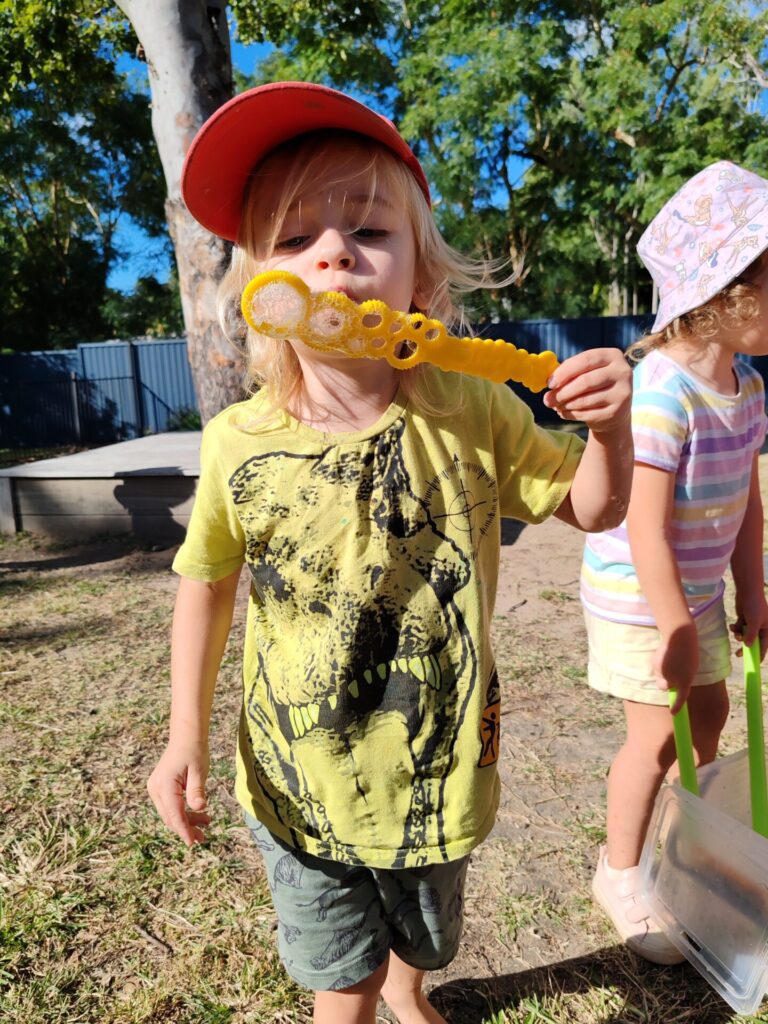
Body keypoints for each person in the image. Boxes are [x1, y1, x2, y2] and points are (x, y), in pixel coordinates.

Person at [148, 81, 633, 1024]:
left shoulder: (473, 407)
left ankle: (413, 991)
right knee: (345, 983)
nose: (332, 251)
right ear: (257, 285)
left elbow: (594, 507)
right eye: (293, 240)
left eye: (368, 230)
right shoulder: (239, 443)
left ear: (422, 278)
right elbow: (206, 588)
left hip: (439, 767)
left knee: (420, 941)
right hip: (296, 779)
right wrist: (183, 735)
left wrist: (610, 433)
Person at [581, 159, 768, 965]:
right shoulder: (662, 391)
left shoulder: (749, 387)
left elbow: (748, 504)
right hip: (639, 598)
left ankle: (684, 845)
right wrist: (671, 625)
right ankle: (620, 872)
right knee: (655, 737)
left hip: (693, 594)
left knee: (711, 718)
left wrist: (754, 592)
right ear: (724, 291)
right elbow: (644, 525)